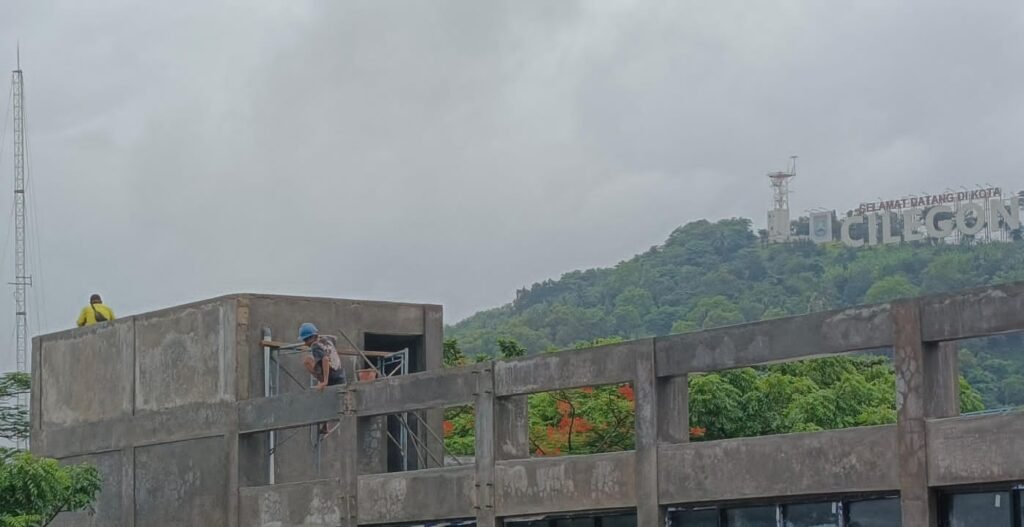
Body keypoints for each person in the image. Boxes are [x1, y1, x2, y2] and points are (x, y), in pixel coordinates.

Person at [299, 322, 346, 391]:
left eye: (306, 340)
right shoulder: (328, 339)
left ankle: (322, 381)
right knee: (316, 360)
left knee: (307, 361)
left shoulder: (315, 345)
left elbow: (325, 359)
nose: (305, 343)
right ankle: (324, 381)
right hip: (340, 377)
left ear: (313, 337)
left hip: (331, 378)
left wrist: (325, 381)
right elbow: (335, 338)